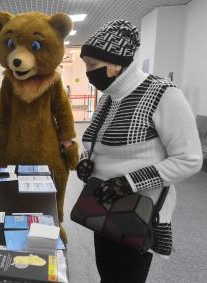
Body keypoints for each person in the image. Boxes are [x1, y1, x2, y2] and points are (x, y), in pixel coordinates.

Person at [77, 20, 203, 283]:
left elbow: (189, 160)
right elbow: (93, 143)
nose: (88, 72)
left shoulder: (163, 94)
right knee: (107, 273)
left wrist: (129, 182)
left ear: (115, 63)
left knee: (126, 278)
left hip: (136, 210)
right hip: (101, 203)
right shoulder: (107, 99)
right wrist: (86, 160)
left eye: (91, 65)